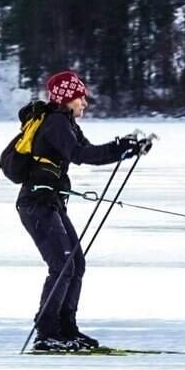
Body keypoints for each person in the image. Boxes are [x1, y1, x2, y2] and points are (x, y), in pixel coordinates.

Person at [17, 69, 151, 352]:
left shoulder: (65, 123)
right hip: (36, 204)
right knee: (62, 266)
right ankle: (47, 332)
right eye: (80, 98)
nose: (85, 103)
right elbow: (81, 156)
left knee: (75, 264)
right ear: (66, 99)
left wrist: (126, 149)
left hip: (49, 202)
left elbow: (90, 151)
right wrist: (121, 147)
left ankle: (66, 329)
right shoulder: (55, 123)